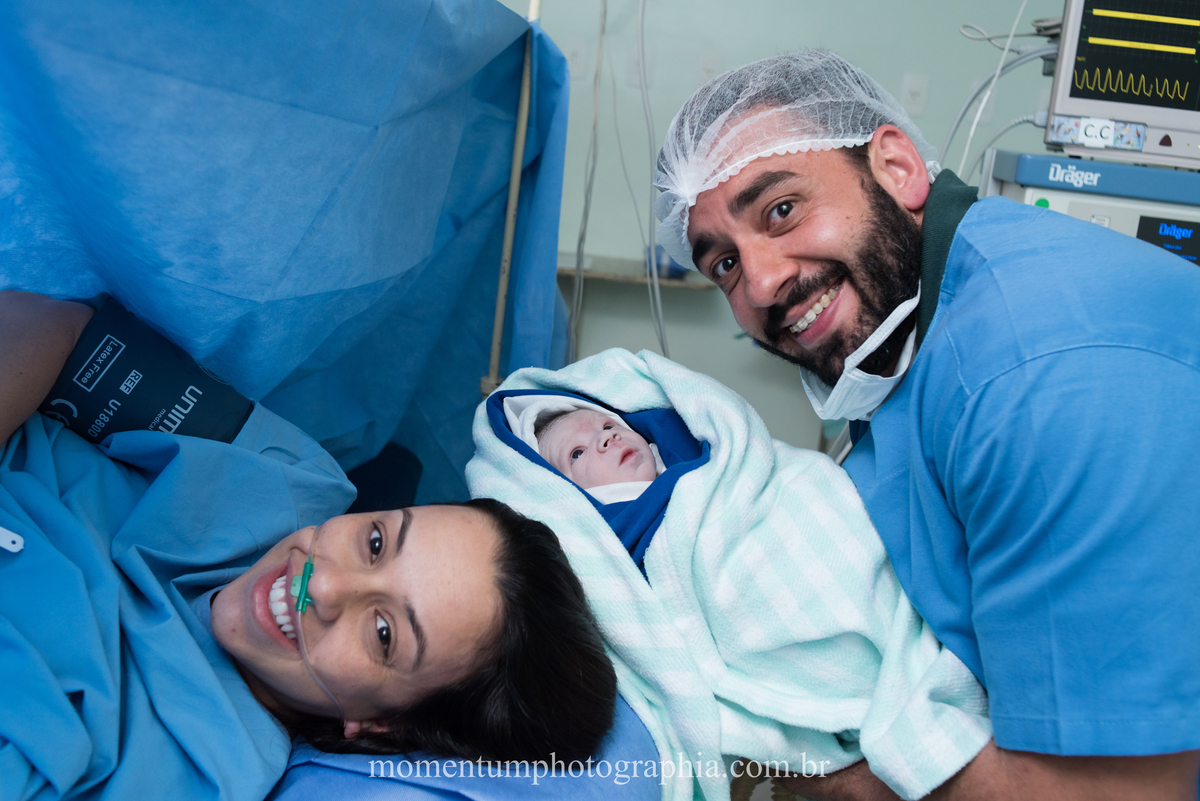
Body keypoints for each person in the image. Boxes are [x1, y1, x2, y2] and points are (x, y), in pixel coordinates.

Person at [652, 49, 1200, 799]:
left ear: (899, 167)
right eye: (723, 265)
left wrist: (802, 755)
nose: (764, 282)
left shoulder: (1043, 380)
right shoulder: (912, 349)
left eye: (781, 210)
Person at [0, 290, 616, 801]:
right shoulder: (285, 477)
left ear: (379, 726)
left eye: (383, 634)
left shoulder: (198, 774)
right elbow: (59, 333)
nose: (320, 585)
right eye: (375, 542)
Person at [469, 351, 994, 801]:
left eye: (607, 425)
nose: (605, 439)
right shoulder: (615, 553)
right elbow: (651, 635)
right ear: (567, 501)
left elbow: (812, 499)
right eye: (578, 454)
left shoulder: (718, 468)